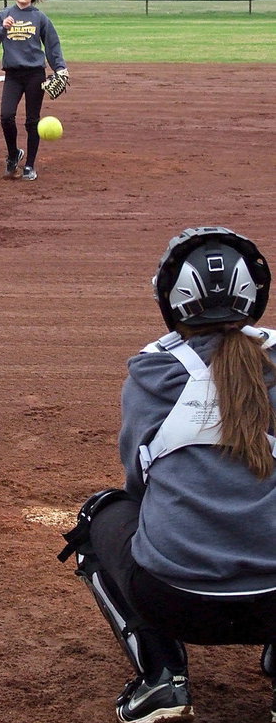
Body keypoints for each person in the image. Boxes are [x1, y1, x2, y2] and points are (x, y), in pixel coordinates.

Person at [59, 226, 276, 722]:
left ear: (171, 300)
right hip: (274, 599)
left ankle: (162, 679)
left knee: (102, 514)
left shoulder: (152, 373)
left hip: (178, 600)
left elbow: (140, 483)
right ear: (253, 294)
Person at [0, 0, 67, 182]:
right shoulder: (4, 15)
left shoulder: (40, 18)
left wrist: (60, 68)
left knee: (32, 122)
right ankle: (13, 154)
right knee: (6, 116)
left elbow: (52, 46)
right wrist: (3, 28)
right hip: (13, 75)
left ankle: (30, 165)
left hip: (34, 75)